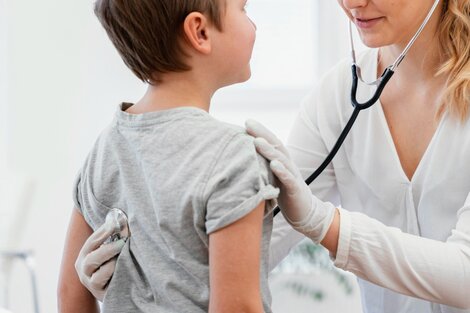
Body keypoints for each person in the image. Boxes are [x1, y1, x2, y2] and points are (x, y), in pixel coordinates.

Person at [76, 0, 470, 312]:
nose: (352, 3)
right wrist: (135, 267)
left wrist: (324, 223)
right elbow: (243, 254)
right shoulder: (337, 98)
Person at [57, 0, 280, 312]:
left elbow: (70, 296)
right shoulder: (232, 156)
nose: (253, 25)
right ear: (199, 31)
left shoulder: (105, 147)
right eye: (244, 9)